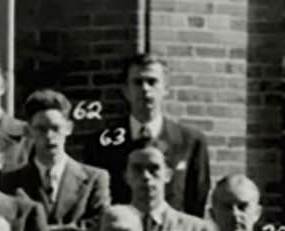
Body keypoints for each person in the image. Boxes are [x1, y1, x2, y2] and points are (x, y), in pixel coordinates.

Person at [83, 54, 213, 213]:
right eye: (138, 82)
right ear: (126, 91)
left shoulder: (190, 141)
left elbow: (197, 202)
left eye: (152, 82)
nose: (145, 89)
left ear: (165, 89)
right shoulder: (100, 144)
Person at [1, 90, 110, 231]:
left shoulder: (95, 178)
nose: (49, 136)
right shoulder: (9, 182)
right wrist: (69, 230)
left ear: (68, 128)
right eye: (41, 129)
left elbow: (98, 225)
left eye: (55, 128)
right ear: (29, 131)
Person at [125, 146, 217, 231]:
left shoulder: (197, 230)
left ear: (168, 175)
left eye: (154, 169)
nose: (146, 176)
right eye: (137, 169)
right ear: (126, 176)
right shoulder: (107, 227)